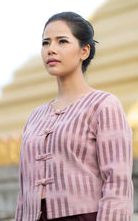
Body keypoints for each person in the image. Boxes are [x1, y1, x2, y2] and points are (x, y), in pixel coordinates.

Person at [15, 12, 133, 221]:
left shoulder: (103, 105)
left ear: (84, 51)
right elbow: (23, 193)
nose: (51, 49)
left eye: (62, 41)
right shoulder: (35, 116)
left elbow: (117, 182)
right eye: (45, 42)